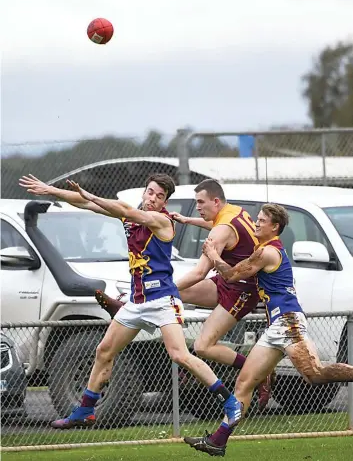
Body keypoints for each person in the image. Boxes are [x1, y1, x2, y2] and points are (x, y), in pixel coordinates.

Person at [18, 173, 242, 429]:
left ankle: (230, 401)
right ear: (144, 192)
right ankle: (86, 410)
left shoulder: (162, 220)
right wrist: (50, 190)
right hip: (137, 301)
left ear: (164, 202)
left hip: (162, 300)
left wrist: (90, 194)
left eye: (160, 196)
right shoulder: (130, 214)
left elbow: (120, 208)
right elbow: (85, 204)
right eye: (150, 192)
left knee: (180, 355)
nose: (153, 199)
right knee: (104, 351)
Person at [184, 203, 353, 457]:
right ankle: (218, 441)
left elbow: (230, 275)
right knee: (244, 383)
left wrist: (212, 253)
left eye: (262, 220)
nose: (256, 222)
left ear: (275, 227)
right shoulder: (262, 249)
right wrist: (193, 222)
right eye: (257, 219)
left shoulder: (267, 253)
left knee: (314, 374)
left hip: (288, 322)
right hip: (275, 326)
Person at [96, 179, 273, 409]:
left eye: (201, 203)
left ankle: (256, 369)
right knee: (181, 292)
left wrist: (164, 289)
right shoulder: (233, 213)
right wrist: (188, 220)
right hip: (227, 280)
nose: (197, 206)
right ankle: (132, 304)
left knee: (203, 347)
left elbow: (200, 272)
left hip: (243, 291)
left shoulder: (220, 231)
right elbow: (222, 227)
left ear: (216, 201)